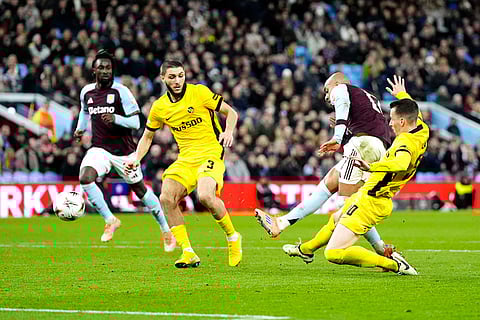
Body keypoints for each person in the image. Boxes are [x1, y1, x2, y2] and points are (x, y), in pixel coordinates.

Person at [283, 75, 429, 275]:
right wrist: (401, 94)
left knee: (333, 253)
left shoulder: (405, 143)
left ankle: (394, 264)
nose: (390, 124)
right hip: (372, 194)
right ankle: (305, 250)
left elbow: (401, 162)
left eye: (393, 121)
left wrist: (372, 167)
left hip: (373, 199)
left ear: (402, 121)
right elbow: (414, 111)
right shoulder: (421, 130)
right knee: (337, 217)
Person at [255, 72, 394, 256]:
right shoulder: (368, 98)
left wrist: (338, 136)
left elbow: (342, 102)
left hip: (363, 145)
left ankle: (380, 249)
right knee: (331, 181)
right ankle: (282, 223)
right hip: (374, 147)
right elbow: (369, 126)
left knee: (353, 204)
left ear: (336, 83)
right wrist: (346, 130)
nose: (327, 97)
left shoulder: (342, 89)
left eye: (327, 91)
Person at [126, 60, 242, 268]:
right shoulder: (159, 107)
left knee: (206, 196)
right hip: (186, 158)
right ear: (163, 79)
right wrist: (136, 158)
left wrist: (228, 131)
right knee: (166, 197)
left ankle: (233, 237)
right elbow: (147, 137)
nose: (177, 80)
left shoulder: (199, 93)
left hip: (211, 152)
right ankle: (188, 252)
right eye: (172, 77)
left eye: (181, 75)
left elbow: (231, 113)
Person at [74, 49, 175, 252]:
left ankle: (166, 230)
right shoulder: (86, 92)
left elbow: (137, 122)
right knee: (85, 177)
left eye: (108, 68)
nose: (105, 71)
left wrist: (116, 119)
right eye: (101, 67)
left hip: (125, 152)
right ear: (94, 70)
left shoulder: (121, 92)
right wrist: (80, 128)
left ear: (112, 71)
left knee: (140, 191)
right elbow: (84, 111)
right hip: (100, 149)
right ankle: (110, 220)